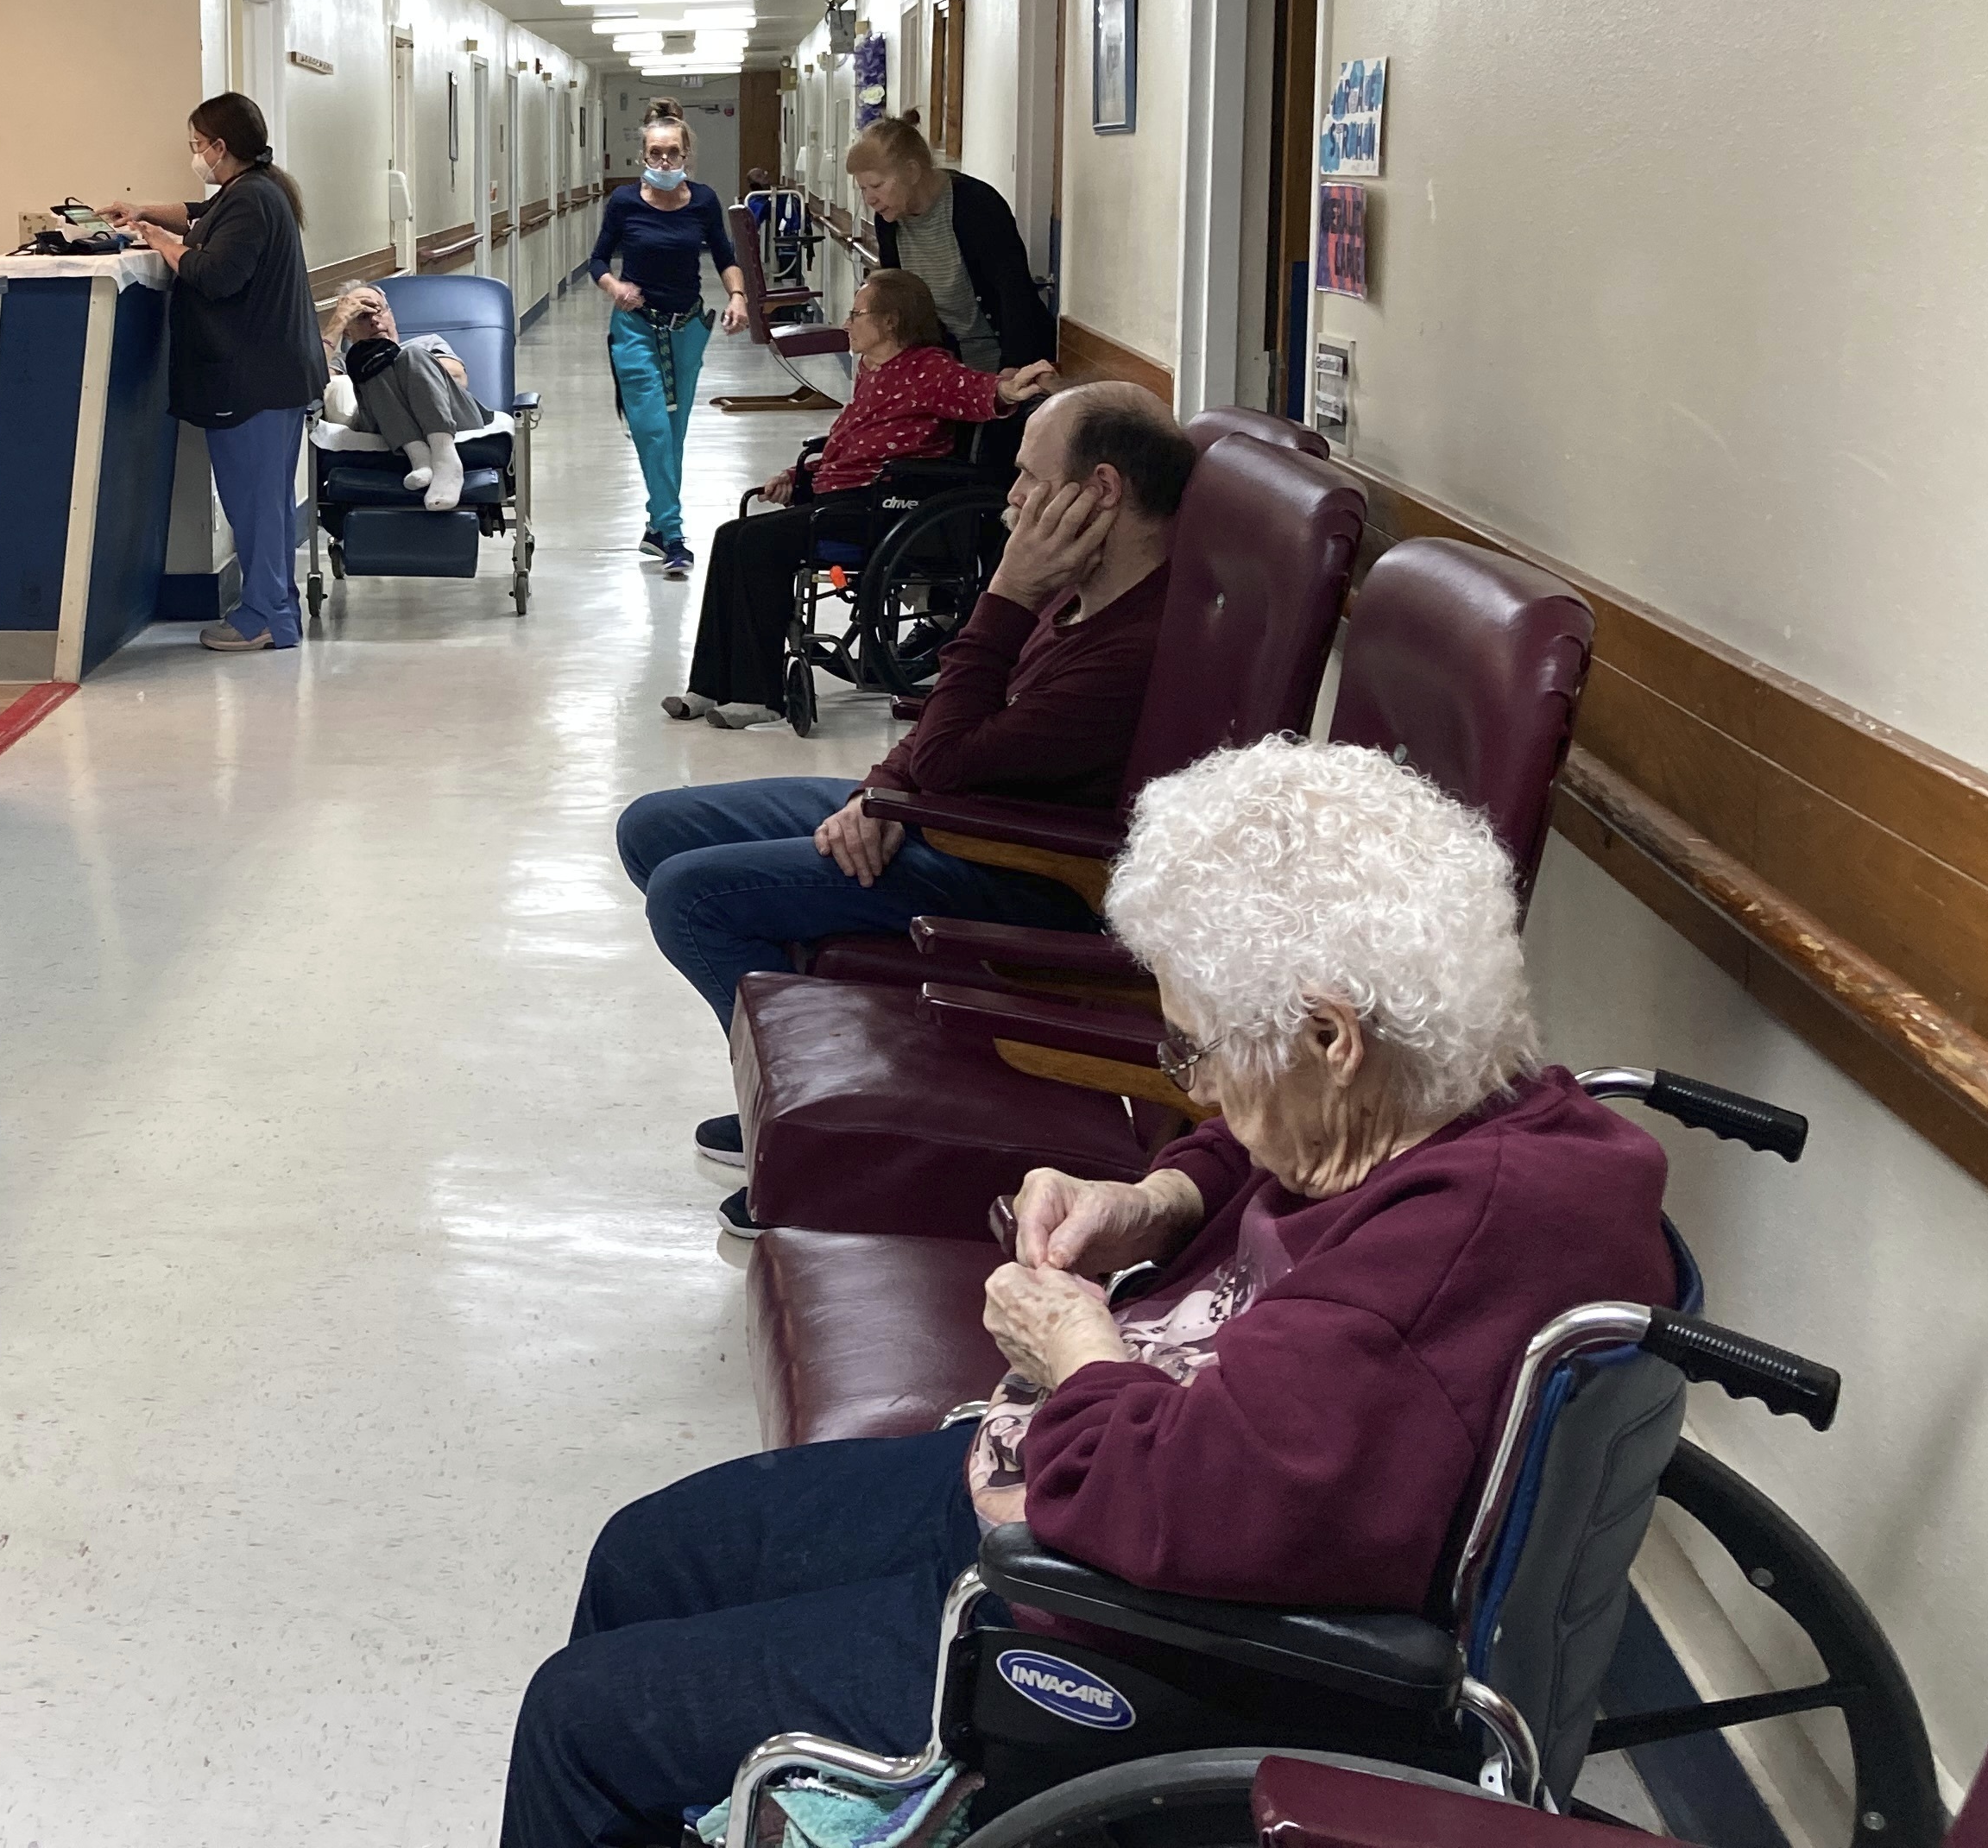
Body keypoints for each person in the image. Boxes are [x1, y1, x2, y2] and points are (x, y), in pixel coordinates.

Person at [503, 738, 1682, 1848]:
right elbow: (1262, 1150)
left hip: (1116, 1618)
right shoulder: (1464, 1098)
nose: (1196, 1086)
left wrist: (1079, 1352)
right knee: (645, 1555)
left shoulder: (1429, 1274)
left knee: (582, 1722)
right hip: (1065, 1485)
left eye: (1198, 1049)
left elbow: (1198, 1500)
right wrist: (1158, 1201)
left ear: (1329, 1035)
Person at [615, 382, 1195, 1198]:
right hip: (945, 807)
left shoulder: (1128, 642)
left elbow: (957, 753)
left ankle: (812, 1125)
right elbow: (945, 728)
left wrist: (1007, 595)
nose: (1014, 498)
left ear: (1100, 491)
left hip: (1025, 867)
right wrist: (878, 792)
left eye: (1030, 477)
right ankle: (803, 1083)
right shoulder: (1082, 579)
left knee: (692, 897)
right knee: (653, 828)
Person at [659, 269, 1057, 726]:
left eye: (856, 314)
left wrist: (1013, 385)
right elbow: (847, 440)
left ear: (890, 321)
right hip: (841, 499)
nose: (847, 323)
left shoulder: (928, 367)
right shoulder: (872, 371)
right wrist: (798, 473)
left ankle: (759, 697)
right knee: (731, 536)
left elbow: (978, 391)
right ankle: (708, 687)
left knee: (757, 544)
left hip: (878, 509)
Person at [103, 91, 322, 651]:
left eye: (199, 146)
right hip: (266, 378)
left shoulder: (251, 200)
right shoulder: (250, 191)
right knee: (261, 501)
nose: (195, 155)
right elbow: (200, 216)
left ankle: (268, 616)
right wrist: (147, 213)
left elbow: (214, 273)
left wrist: (153, 240)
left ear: (222, 147)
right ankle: (273, 608)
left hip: (255, 381)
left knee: (257, 504)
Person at [588, 110, 748, 578]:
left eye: (671, 152)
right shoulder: (623, 201)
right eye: (654, 153)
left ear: (686, 155)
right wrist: (614, 288)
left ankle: (657, 527)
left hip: (688, 330)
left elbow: (724, 255)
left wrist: (737, 295)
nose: (662, 160)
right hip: (635, 328)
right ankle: (674, 535)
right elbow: (597, 259)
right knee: (652, 428)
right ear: (643, 155)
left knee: (674, 435)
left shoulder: (703, 201)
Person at [843, 113, 1050, 373]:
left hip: (1001, 358)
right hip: (944, 365)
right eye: (863, 189)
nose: (870, 199)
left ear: (912, 172)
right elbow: (899, 297)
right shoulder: (889, 220)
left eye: (876, 185)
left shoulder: (975, 206)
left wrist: (1015, 366)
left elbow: (1014, 291)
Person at [319, 279, 494, 509]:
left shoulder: (425, 344)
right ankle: (420, 458)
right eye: (361, 316)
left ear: (390, 314)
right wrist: (337, 322)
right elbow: (313, 380)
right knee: (370, 360)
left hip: (455, 416)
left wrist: (400, 364)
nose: (374, 320)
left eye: (377, 310)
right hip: (382, 425)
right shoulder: (346, 362)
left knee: (405, 356)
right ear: (348, 332)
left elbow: (458, 378)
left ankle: (445, 460)